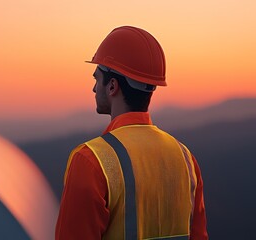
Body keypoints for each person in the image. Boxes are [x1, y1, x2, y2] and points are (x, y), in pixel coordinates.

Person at [55, 26, 208, 240]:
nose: (93, 88)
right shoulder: (186, 160)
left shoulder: (90, 161)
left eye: (96, 79)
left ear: (112, 86)